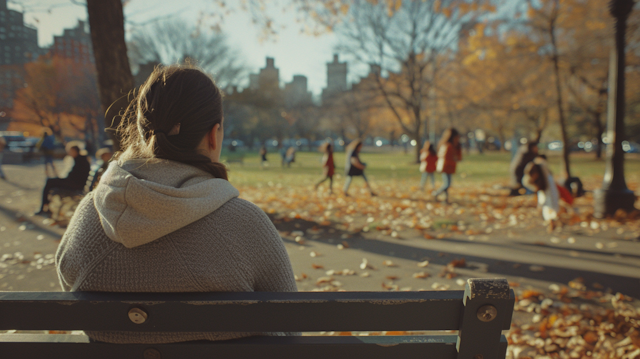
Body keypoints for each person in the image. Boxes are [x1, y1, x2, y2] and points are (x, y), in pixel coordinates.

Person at [55, 65, 297, 344]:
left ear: (144, 133)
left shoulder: (89, 215)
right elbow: (290, 327)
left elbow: (72, 300)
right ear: (213, 134)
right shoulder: (246, 224)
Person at [35, 141, 91, 216]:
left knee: (50, 182)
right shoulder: (80, 159)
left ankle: (44, 207)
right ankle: (45, 206)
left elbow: (75, 176)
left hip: (75, 185)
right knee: (51, 181)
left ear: (74, 151)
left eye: (70, 151)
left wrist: (62, 179)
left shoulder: (80, 160)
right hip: (75, 183)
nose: (68, 153)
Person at [523, 157, 574, 223]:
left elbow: (552, 196)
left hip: (560, 197)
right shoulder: (542, 181)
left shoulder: (548, 181)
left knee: (554, 209)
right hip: (554, 198)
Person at [432, 128, 462, 202]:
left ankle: (446, 198)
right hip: (446, 167)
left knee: (447, 183)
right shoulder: (449, 146)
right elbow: (449, 158)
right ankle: (436, 193)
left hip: (447, 167)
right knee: (447, 184)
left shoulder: (448, 145)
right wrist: (454, 159)